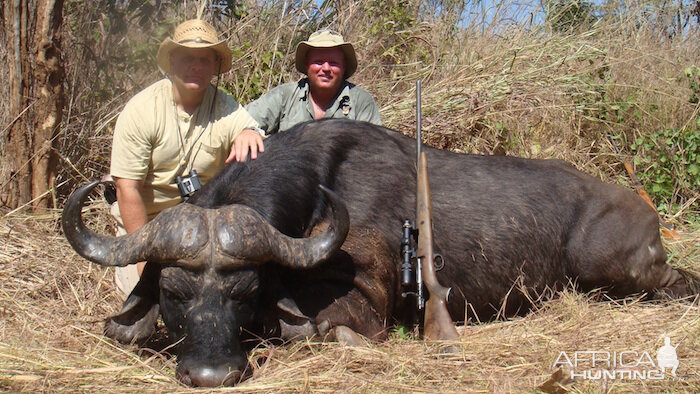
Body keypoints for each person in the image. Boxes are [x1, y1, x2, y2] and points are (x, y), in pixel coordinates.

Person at [109, 19, 264, 296]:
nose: (196, 66)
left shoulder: (226, 106)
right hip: (150, 226)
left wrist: (249, 132)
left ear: (215, 65)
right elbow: (127, 189)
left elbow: (251, 129)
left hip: (205, 226)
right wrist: (143, 257)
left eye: (205, 59)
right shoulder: (142, 110)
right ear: (172, 61)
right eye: (188, 58)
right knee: (144, 299)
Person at [246, 29, 381, 135]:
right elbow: (244, 122)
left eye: (333, 63)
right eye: (318, 62)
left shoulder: (362, 102)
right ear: (307, 64)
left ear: (343, 66)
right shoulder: (283, 96)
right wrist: (249, 133)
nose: (326, 68)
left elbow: (373, 149)